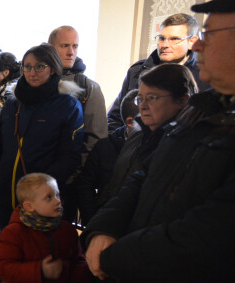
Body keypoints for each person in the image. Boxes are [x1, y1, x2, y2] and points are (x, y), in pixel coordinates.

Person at [83, 0, 235, 283]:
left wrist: (112, 257)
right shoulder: (206, 112)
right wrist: (103, 227)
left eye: (209, 33)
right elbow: (141, 179)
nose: (200, 45)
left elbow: (207, 237)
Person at [0, 44, 84, 283]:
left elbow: (70, 156)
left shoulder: (67, 105)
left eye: (39, 66)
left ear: (52, 68)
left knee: (41, 260)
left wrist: (43, 192)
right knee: (14, 260)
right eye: (27, 66)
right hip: (8, 195)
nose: (32, 72)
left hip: (41, 202)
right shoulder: (14, 103)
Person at [107, 13, 210, 131]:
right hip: (137, 144)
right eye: (161, 38)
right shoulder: (137, 71)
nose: (165, 45)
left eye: (174, 39)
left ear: (192, 42)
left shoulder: (206, 75)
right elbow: (115, 118)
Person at [75, 89, 140, 225]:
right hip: (105, 218)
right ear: (130, 122)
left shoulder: (155, 144)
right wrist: (92, 219)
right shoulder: (106, 146)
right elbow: (85, 184)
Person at [48, 25, 107, 161]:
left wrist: (76, 176)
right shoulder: (33, 82)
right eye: (65, 46)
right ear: (50, 47)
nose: (71, 52)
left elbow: (95, 142)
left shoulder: (89, 88)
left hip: (69, 176)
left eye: (75, 46)